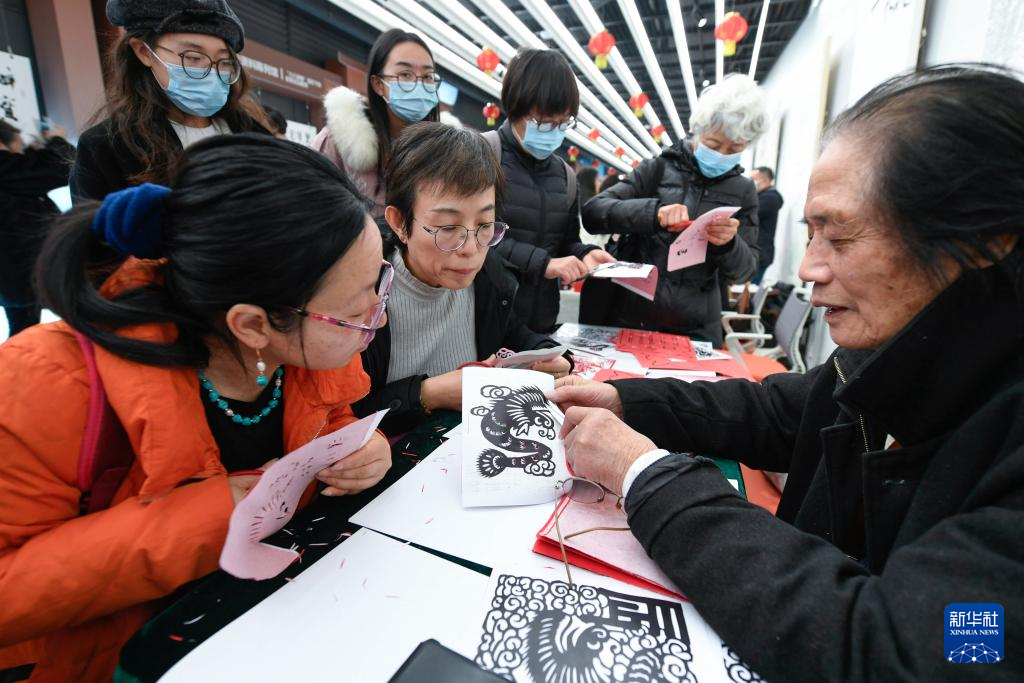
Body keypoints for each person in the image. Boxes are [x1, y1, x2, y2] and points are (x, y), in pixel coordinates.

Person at [550, 65, 1024, 681]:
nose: (808, 270)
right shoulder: (894, 357)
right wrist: (627, 402)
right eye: (812, 234)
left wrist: (644, 475)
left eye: (840, 238)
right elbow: (779, 412)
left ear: (983, 241)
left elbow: (911, 655)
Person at [0, 135, 392, 681]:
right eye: (356, 310)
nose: (378, 315)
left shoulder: (305, 353)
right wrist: (204, 521)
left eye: (379, 284)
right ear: (251, 325)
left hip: (278, 624)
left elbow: (331, 419)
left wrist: (362, 450)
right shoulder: (46, 383)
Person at [353, 122, 570, 434]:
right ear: (400, 222)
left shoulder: (489, 279)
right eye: (447, 228)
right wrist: (428, 394)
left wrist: (551, 354)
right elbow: (342, 417)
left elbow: (517, 335)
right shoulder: (362, 297)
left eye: (484, 225)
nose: (470, 249)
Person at [582, 74, 767, 345]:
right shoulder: (657, 170)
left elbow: (745, 271)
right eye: (714, 144)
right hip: (631, 316)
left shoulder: (743, 190)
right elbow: (594, 212)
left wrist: (728, 244)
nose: (722, 154)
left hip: (695, 328)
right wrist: (653, 213)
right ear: (698, 133)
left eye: (735, 148)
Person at [70, 0, 270, 201]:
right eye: (193, 57)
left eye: (223, 62)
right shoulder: (105, 149)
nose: (211, 72)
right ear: (144, 52)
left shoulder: (255, 135)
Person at [488, 48, 614, 334]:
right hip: (484, 322)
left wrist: (585, 254)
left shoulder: (565, 176)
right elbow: (472, 237)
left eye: (563, 123)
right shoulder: (483, 156)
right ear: (516, 106)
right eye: (544, 122)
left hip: (540, 325)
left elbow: (564, 242)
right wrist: (543, 263)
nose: (554, 131)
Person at [310, 29, 441, 217]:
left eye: (428, 76)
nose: (418, 84)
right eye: (405, 74)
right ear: (378, 84)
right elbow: (311, 211)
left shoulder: (445, 150)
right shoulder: (338, 142)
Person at [0, 119, 74, 337]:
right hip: (27, 273)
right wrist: (56, 140)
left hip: (15, 277)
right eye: (19, 142)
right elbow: (60, 168)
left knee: (23, 329)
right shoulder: (5, 167)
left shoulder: (10, 172)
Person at [751, 166, 783, 284]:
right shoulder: (762, 196)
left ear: (763, 179)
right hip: (754, 253)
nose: (750, 182)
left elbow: (749, 214)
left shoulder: (770, 198)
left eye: (753, 179)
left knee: (747, 290)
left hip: (759, 254)